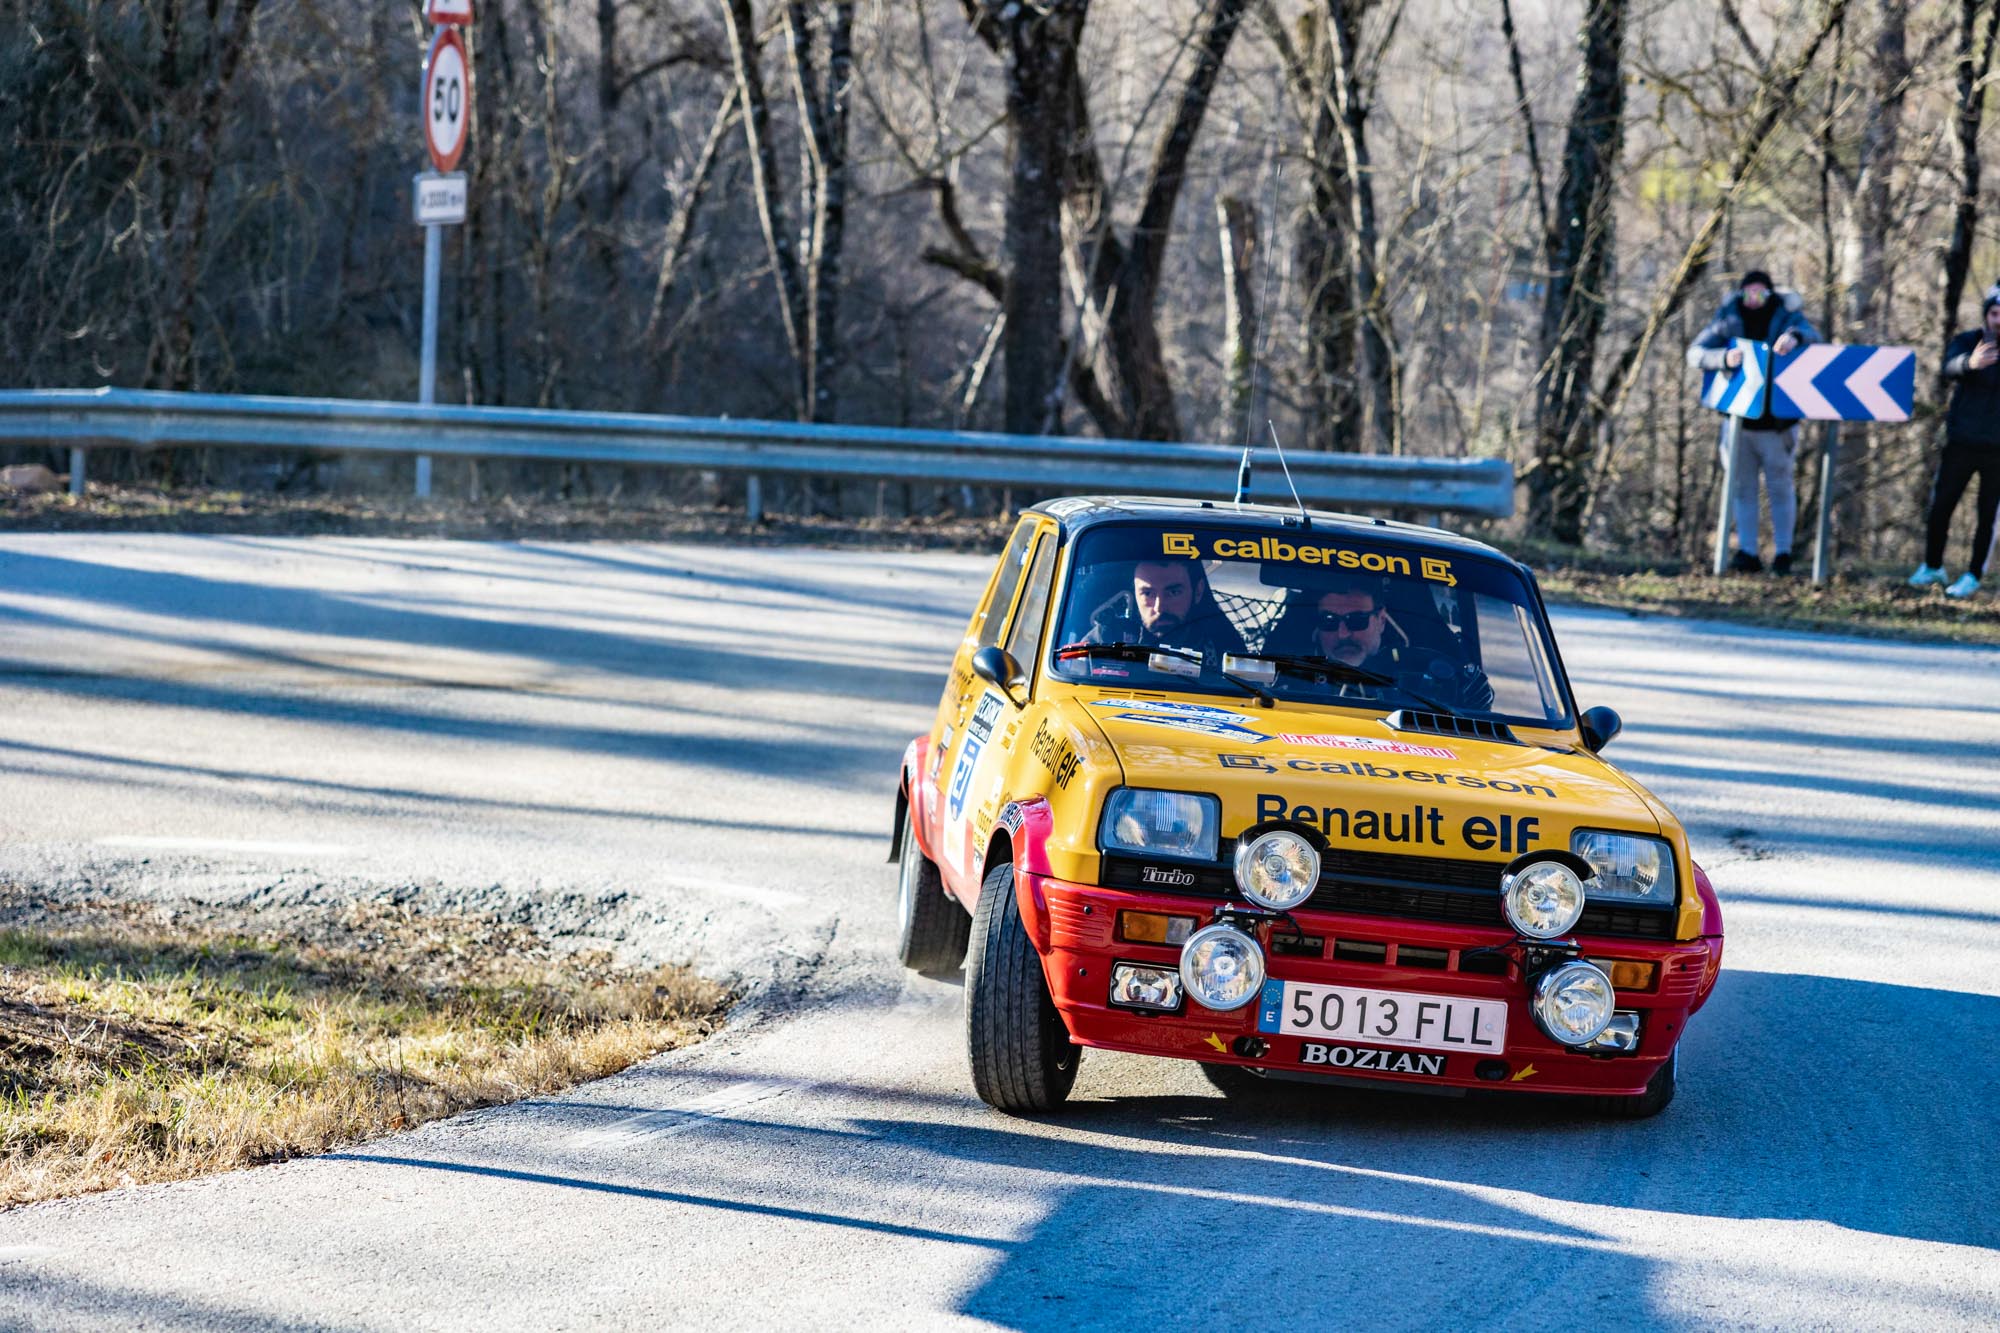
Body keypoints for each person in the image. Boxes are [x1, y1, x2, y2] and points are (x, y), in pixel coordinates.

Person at [1686, 270, 1822, 574]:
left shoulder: (1787, 315)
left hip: (1778, 424)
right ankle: (1747, 553)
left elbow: (1813, 335)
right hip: (1738, 424)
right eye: (1748, 292)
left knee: (1780, 488)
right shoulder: (1727, 317)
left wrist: (1794, 338)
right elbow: (1695, 354)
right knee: (1741, 489)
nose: (1753, 299)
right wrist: (1723, 359)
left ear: (1770, 294)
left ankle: (1783, 553)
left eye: (1760, 293)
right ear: (1741, 293)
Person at [1909, 286, 2000, 599]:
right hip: (1961, 442)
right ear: (1986, 314)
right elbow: (1948, 367)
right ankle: (1933, 566)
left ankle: (1973, 575)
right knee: (1941, 505)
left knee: (1987, 516)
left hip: (1997, 451)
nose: (1999, 320)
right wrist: (1969, 364)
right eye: (1994, 313)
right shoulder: (1967, 341)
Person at [1081, 557, 1246, 660]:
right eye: (1148, 594)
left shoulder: (1222, 644)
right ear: (1136, 594)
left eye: (1173, 592)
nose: (1159, 607)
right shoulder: (1106, 638)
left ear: (1198, 591)